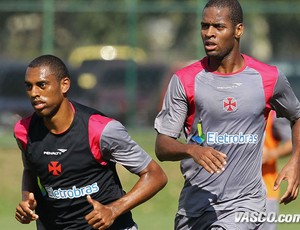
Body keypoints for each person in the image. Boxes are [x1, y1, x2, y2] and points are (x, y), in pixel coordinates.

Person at [154, 0, 300, 229]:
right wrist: (191, 149)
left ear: (238, 30)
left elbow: (297, 115)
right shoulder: (185, 80)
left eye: (218, 27)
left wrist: (295, 162)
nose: (209, 34)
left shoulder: (268, 77)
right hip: (194, 207)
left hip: (244, 205)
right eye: (204, 26)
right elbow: (162, 146)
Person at [14, 54, 167, 230]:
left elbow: (155, 175)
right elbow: (31, 170)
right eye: (29, 86)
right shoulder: (24, 131)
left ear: (64, 85)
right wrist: (27, 202)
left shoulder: (101, 129)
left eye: (42, 85)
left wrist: (113, 210)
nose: (34, 93)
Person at [261, 110, 292, 230]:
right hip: (232, 192)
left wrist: (272, 154)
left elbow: (293, 140)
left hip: (266, 190)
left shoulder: (272, 115)